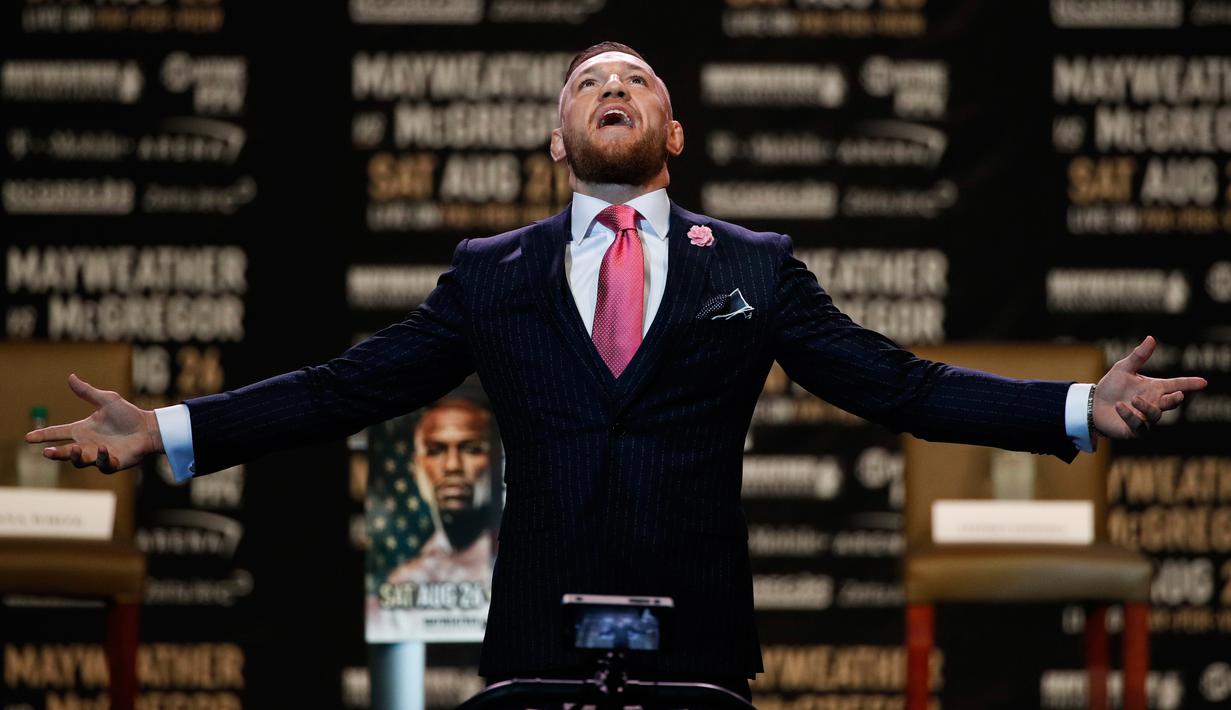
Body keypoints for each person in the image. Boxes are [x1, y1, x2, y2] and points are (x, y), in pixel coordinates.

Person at [27, 41, 1207, 695]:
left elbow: (893, 383)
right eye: (588, 82)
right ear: (554, 137)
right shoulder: (492, 271)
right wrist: (171, 430)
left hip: (698, 640)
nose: (612, 91)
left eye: (636, 80)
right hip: (534, 637)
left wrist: (1072, 406)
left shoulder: (750, 262)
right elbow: (349, 385)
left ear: (673, 133)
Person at [385, 398, 497, 584]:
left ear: (495, 460)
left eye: (471, 449)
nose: (453, 466)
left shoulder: (521, 563)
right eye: (436, 450)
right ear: (416, 467)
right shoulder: (404, 580)